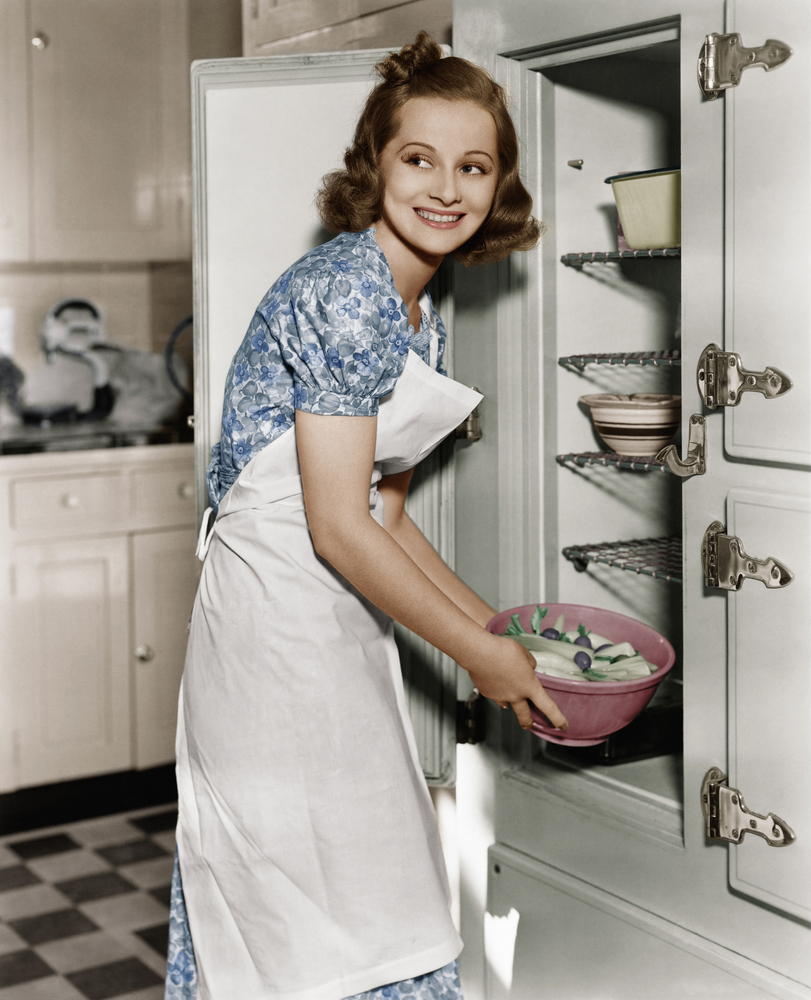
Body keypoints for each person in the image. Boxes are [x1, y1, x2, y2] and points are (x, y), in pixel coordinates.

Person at [166, 31, 569, 1000]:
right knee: (306, 891)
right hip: (277, 619)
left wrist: (500, 632)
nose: (445, 187)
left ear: (498, 184)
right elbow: (338, 528)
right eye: (417, 158)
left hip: (334, 607)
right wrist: (481, 657)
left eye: (472, 165)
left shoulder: (414, 301)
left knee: (358, 874)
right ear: (373, 167)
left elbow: (382, 514)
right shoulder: (349, 292)